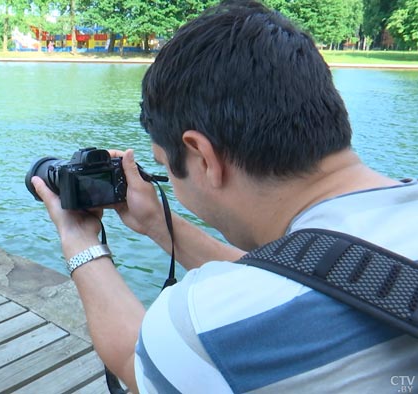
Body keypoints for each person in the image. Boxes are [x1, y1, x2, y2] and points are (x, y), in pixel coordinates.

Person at [30, 1, 418, 393]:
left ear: (201, 156)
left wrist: (79, 239)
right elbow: (315, 273)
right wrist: (155, 223)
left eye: (166, 166)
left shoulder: (210, 323)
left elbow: (139, 365)